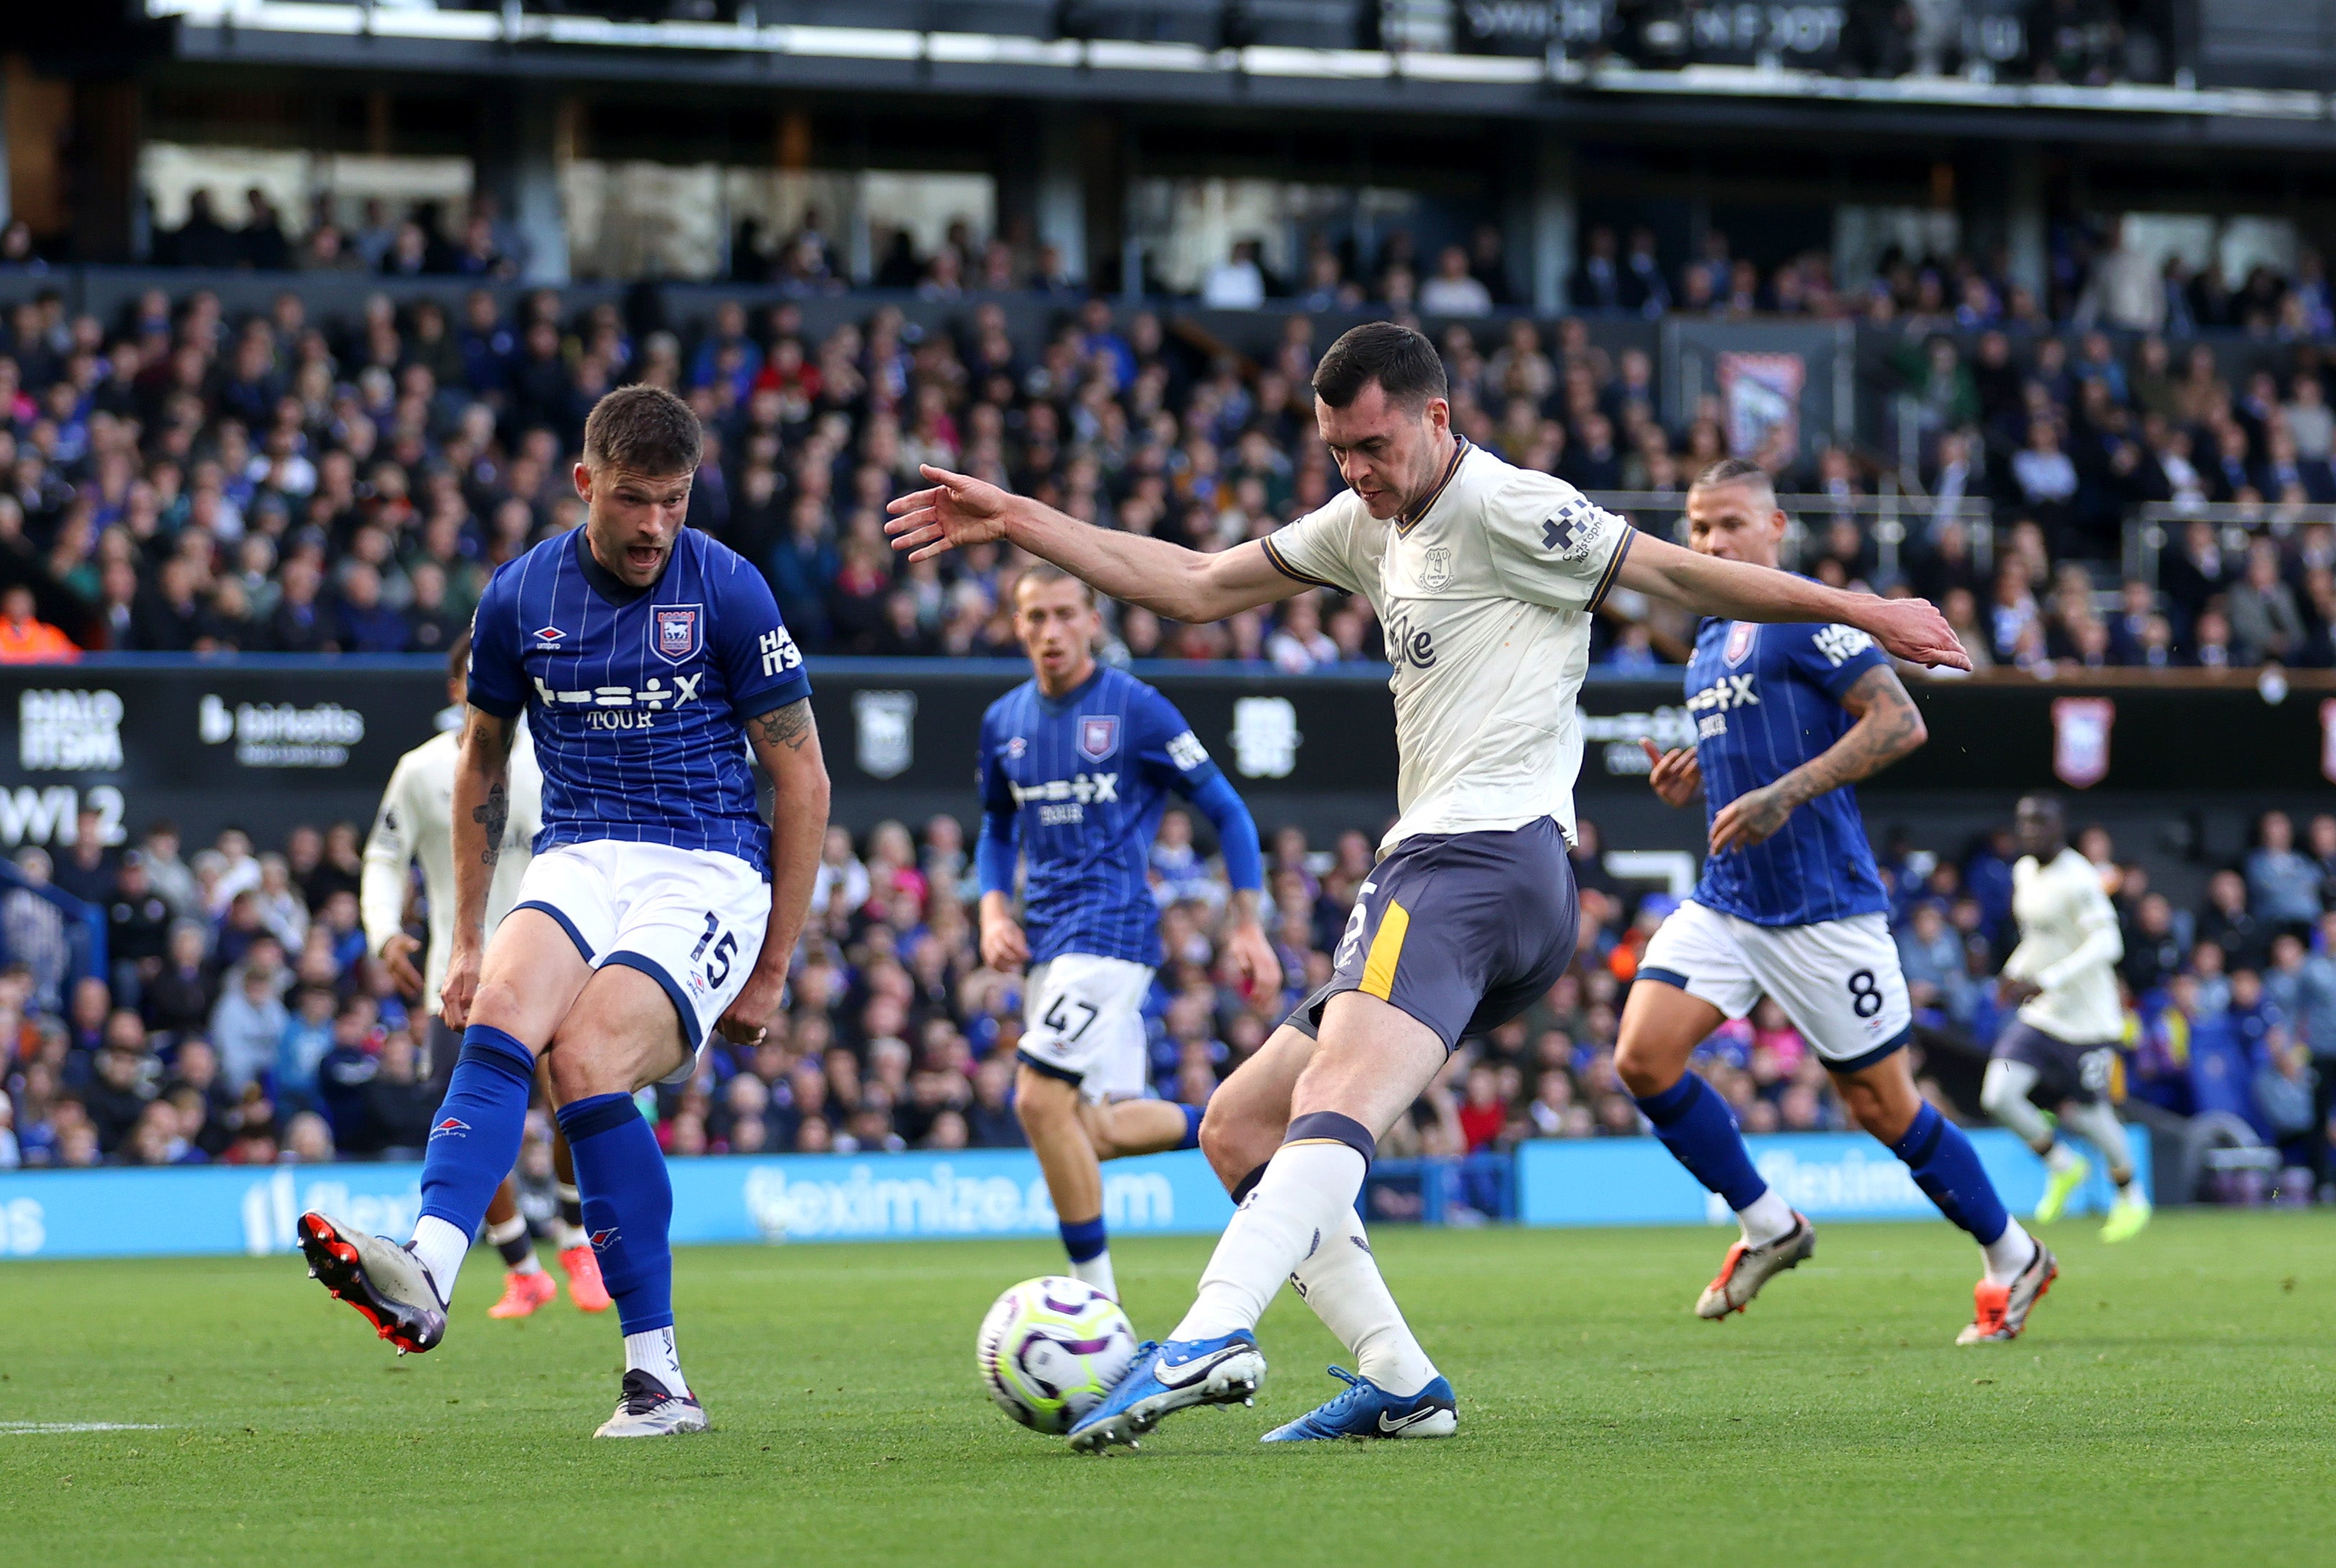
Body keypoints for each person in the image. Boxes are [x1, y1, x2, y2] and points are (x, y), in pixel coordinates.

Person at [886, 321, 1970, 1451]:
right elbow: (1198, 585)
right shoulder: (1369, 524)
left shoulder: (1511, 505)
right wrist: (1020, 519)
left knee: (1330, 1105)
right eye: (1337, 451)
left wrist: (1862, 609)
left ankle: (1210, 1329)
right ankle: (1401, 1379)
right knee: (1240, 1126)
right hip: (1465, 871)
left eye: (1371, 445)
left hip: (1478, 858)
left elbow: (1678, 570)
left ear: (1435, 419)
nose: (1355, 471)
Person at [297, 386, 830, 1439]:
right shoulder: (519, 595)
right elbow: (480, 763)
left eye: (673, 502)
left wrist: (771, 969)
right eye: (633, 500)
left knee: (583, 1061)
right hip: (578, 855)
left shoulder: (729, 589)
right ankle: (433, 1274)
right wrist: (459, 937)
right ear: (585, 483)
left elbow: (804, 782)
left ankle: (659, 1377)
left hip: (706, 865)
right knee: (501, 1010)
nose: (653, 527)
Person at [1618, 460, 2053, 1348]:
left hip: (1823, 910)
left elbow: (1898, 721)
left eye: (1729, 524)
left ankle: (2013, 1255)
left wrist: (1782, 792)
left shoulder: (1807, 616)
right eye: (1698, 529)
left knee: (1880, 1108)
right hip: (1731, 902)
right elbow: (1754, 746)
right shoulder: (1706, 637)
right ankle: (1768, 1222)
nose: (1710, 543)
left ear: (1776, 528)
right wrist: (1694, 782)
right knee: (1641, 1057)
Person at [978, 566, 1279, 1301]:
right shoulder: (1004, 722)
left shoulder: (1134, 708)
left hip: (1110, 931)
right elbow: (995, 827)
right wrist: (991, 910)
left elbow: (1230, 812)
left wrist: (1247, 923)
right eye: (1034, 617)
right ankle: (1250, 1126)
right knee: (1098, 1129)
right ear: (1016, 626)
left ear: (1092, 622)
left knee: (1036, 1099)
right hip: (1044, 943)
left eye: (1062, 615)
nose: (1049, 632)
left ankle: (1097, 1310)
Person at [360, 632, 613, 1321]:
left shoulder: (558, 760)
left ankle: (574, 1240)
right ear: (454, 689)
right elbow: (383, 855)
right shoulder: (421, 771)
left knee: (575, 1097)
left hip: (559, 963)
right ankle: (522, 1268)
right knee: (464, 1115)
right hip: (464, 970)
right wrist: (384, 933)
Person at [1979, 794, 2151, 1242]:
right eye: (2025, 823)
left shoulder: (2080, 879)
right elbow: (2039, 935)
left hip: (2090, 1021)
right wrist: (2015, 971)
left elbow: (2108, 945)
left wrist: (2049, 978)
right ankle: (2062, 1166)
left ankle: (2131, 1197)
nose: (2032, 831)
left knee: (2094, 1118)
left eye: (2042, 823)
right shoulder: (2024, 871)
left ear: (2060, 827)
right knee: (1998, 1096)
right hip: (2045, 1014)